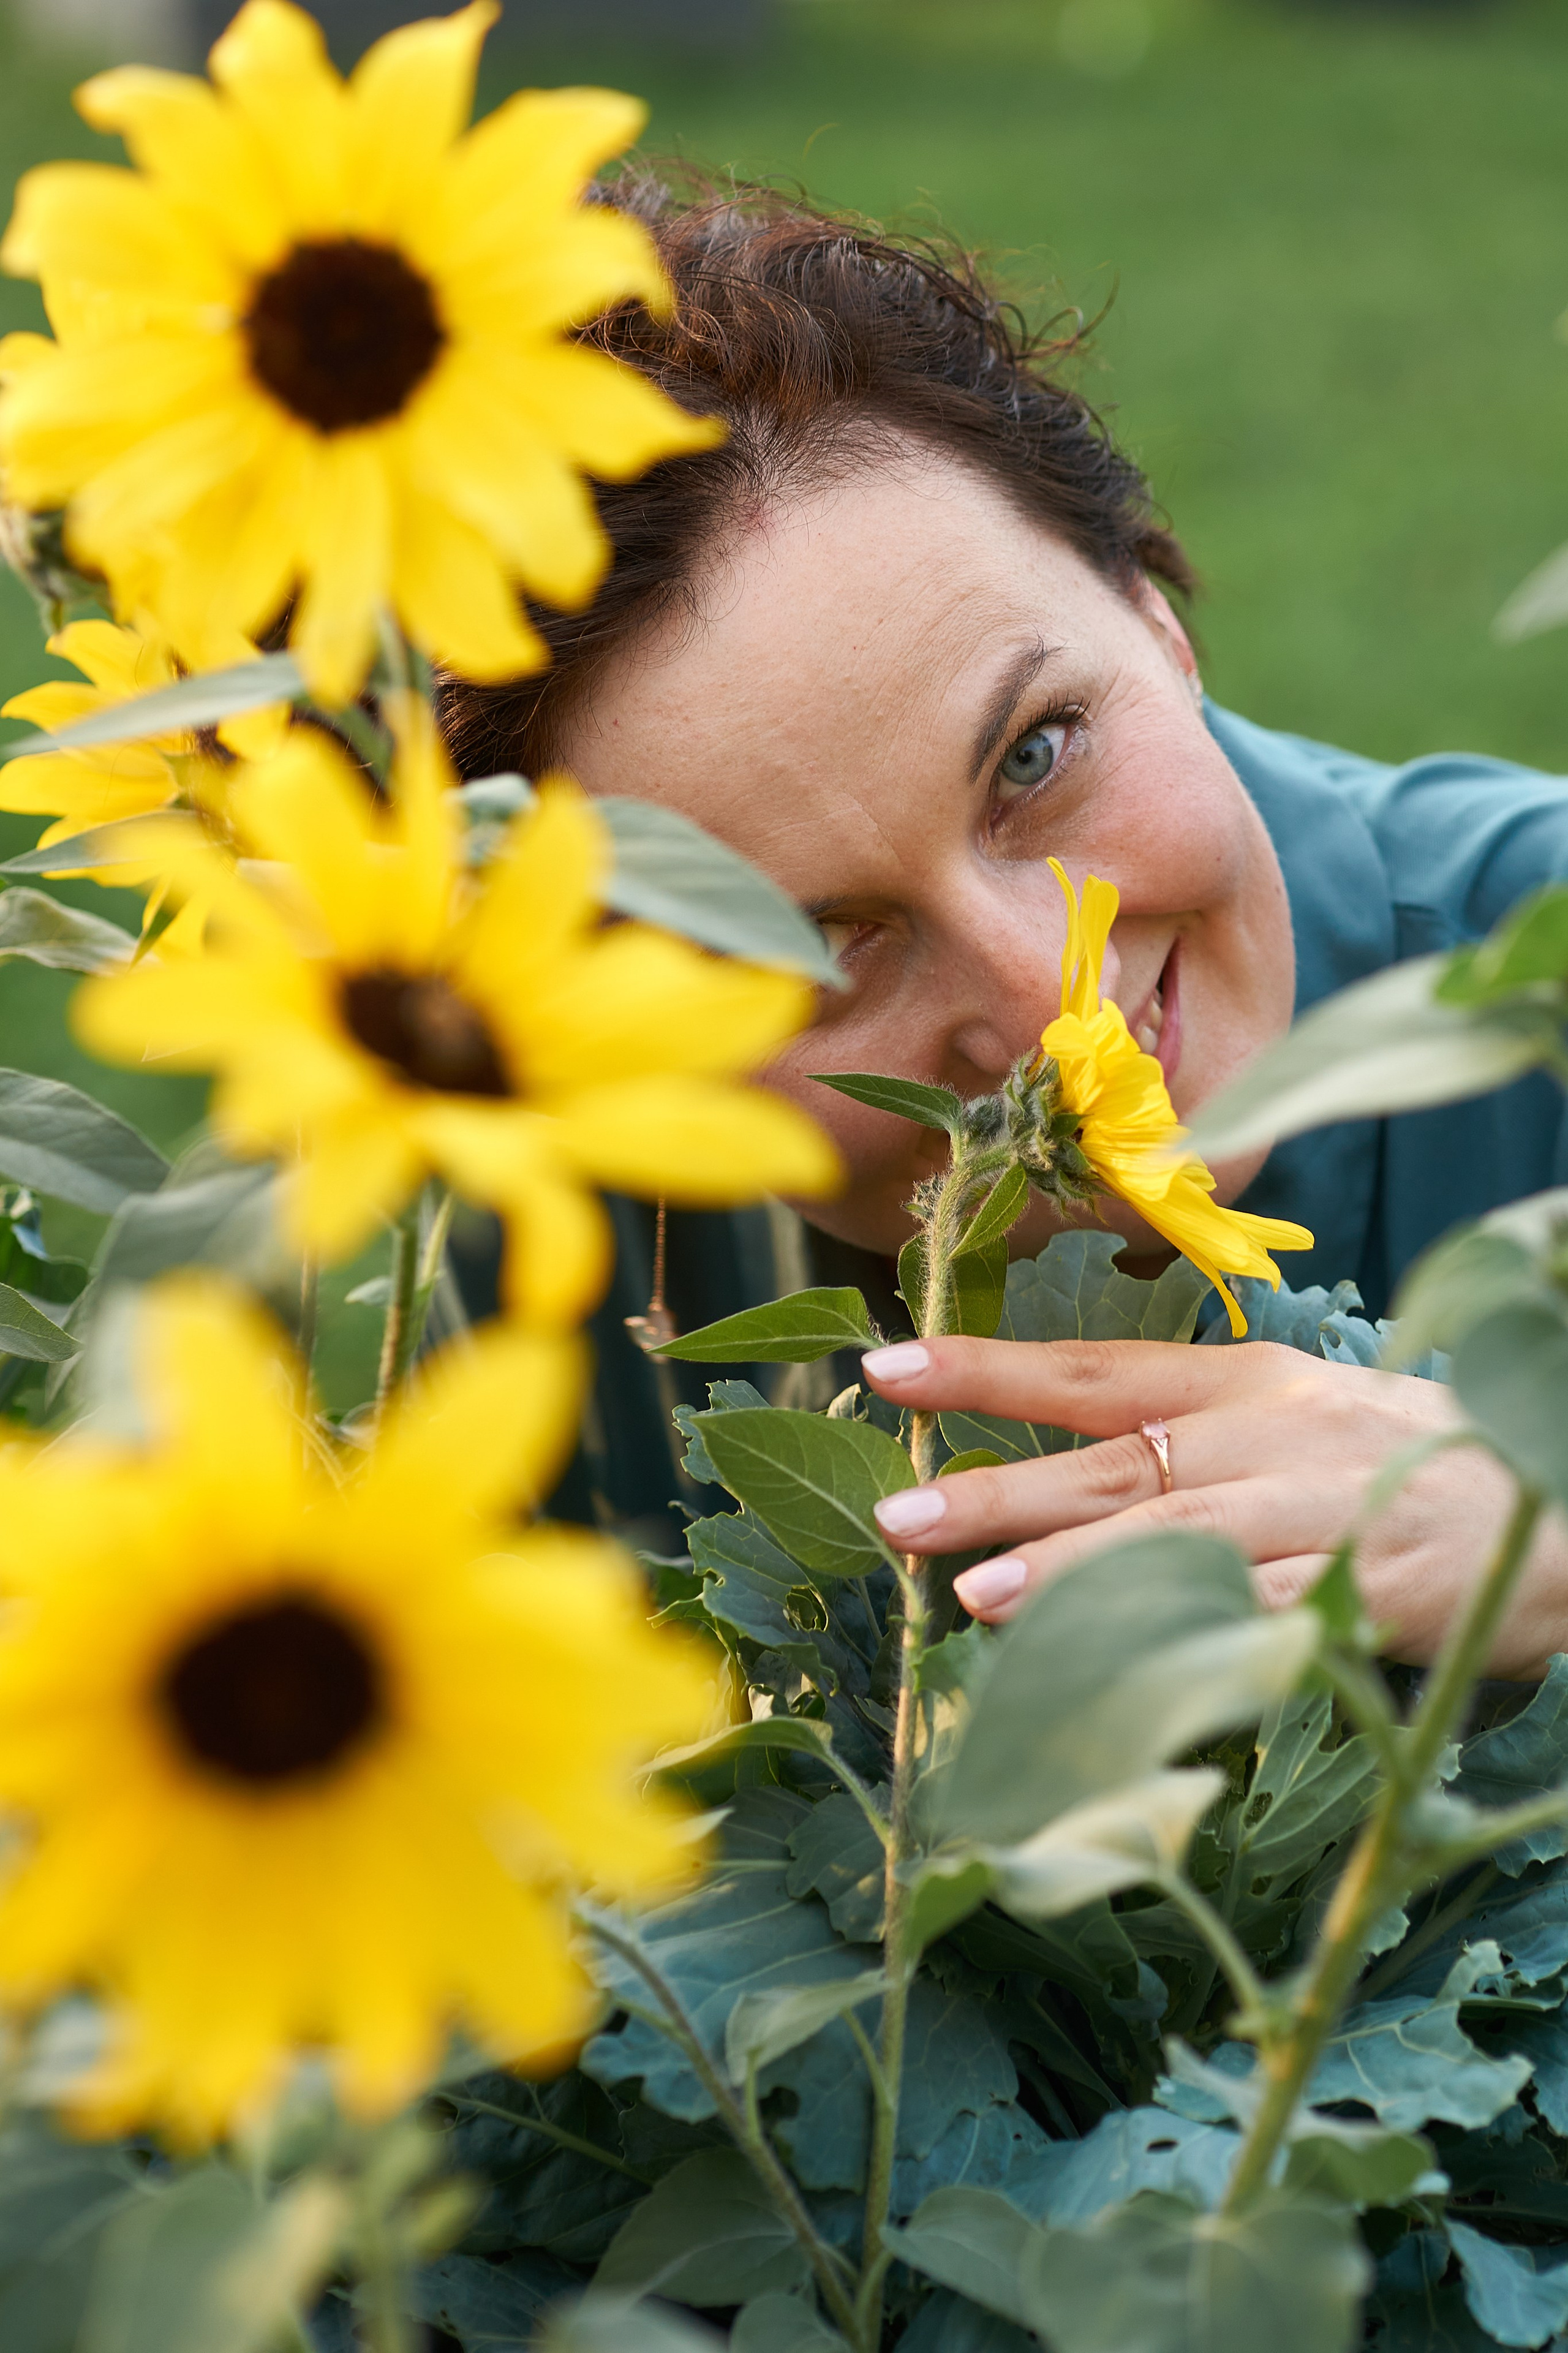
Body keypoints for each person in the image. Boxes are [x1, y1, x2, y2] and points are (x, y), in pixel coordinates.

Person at [439, 176, 1568, 1677]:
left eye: (1033, 755)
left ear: (1148, 615)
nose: (1053, 1007)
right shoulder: (576, 1244)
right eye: (808, 947)